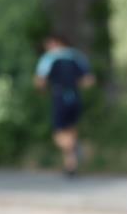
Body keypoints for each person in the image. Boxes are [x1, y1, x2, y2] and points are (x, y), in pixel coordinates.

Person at [34, 34, 95, 177]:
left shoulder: (49, 58)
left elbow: (40, 81)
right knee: (71, 129)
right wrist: (73, 85)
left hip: (59, 96)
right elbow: (89, 80)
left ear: (54, 43)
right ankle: (70, 165)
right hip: (75, 97)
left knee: (59, 133)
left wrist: (43, 90)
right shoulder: (77, 56)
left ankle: (75, 149)